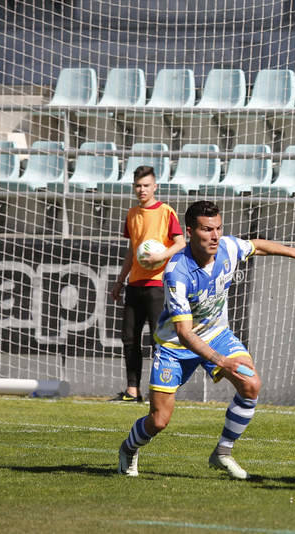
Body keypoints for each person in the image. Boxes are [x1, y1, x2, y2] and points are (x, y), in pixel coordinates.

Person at [117, 200, 295, 479]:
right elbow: (184, 333)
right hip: (176, 347)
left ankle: (223, 452)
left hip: (216, 334)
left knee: (251, 384)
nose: (215, 236)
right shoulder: (177, 273)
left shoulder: (228, 247)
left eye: (218, 228)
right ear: (190, 232)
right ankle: (129, 448)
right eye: (207, 230)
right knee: (159, 420)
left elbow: (257, 245)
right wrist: (221, 362)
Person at [110, 165, 186, 402]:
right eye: (138, 186)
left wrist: (160, 257)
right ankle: (133, 391)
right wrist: (120, 281)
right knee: (129, 337)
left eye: (146, 185)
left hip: (157, 284)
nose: (142, 190)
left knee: (158, 339)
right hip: (134, 284)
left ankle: (160, 389)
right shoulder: (132, 214)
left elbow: (181, 242)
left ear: (155, 187)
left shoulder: (166, 211)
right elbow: (132, 251)